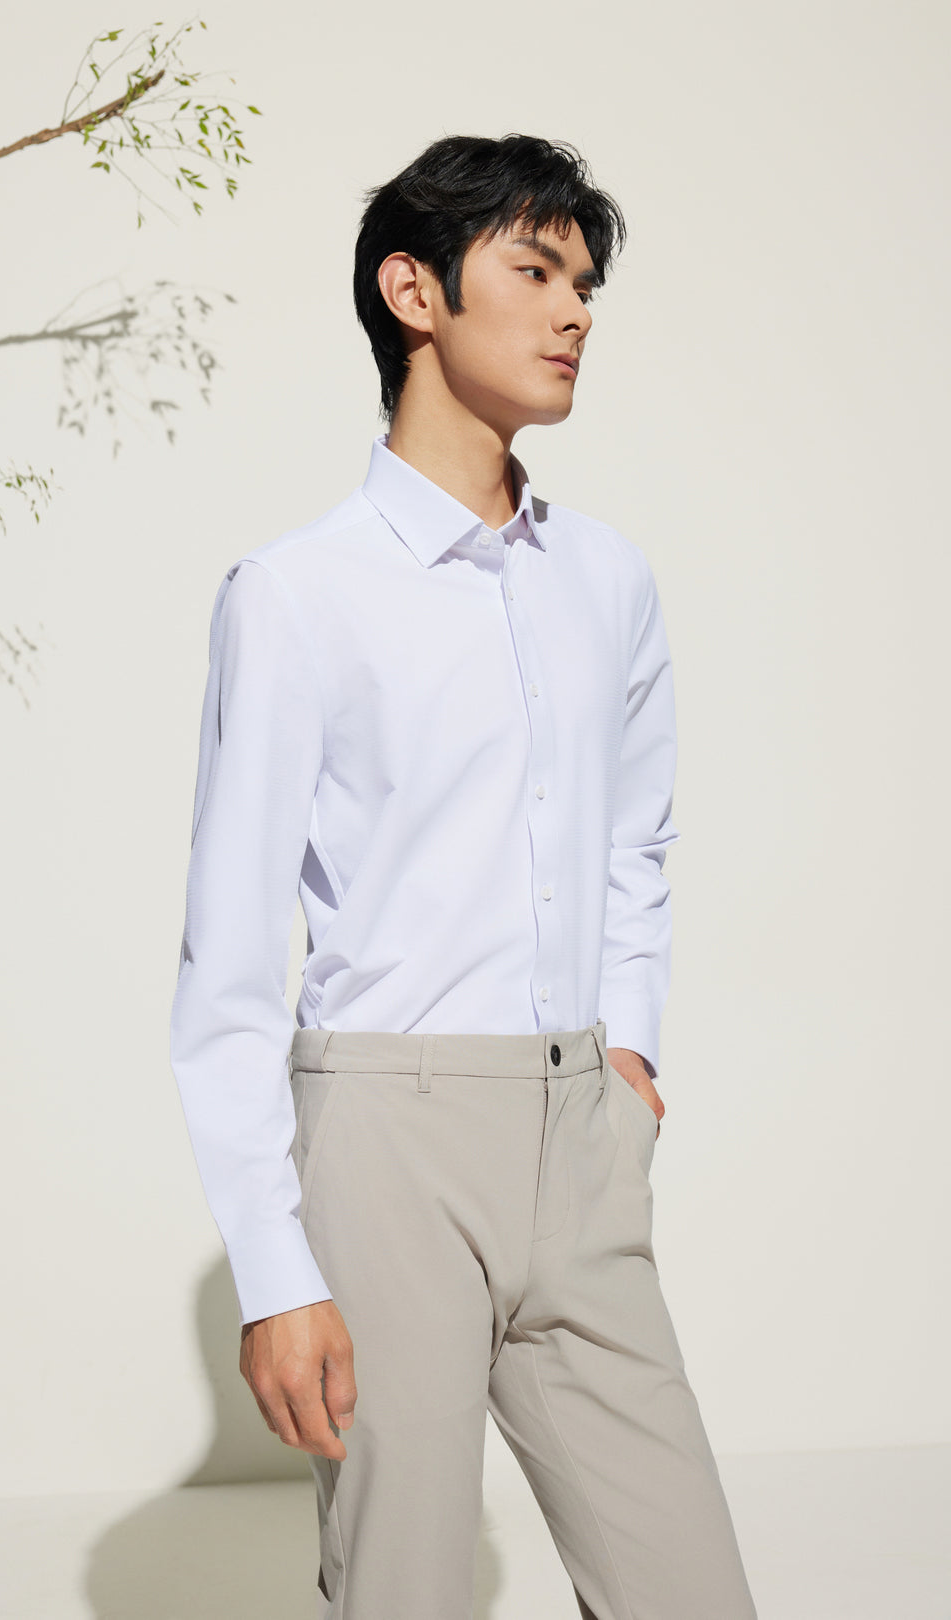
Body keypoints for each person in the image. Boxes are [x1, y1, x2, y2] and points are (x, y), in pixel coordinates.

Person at [169, 132, 759, 1620]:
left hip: (581, 1136)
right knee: (406, 1591)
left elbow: (636, 844)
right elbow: (228, 965)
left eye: (586, 285)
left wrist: (628, 1058)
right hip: (388, 1144)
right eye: (537, 270)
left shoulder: (607, 578)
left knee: (690, 1589)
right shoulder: (296, 595)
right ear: (413, 291)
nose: (574, 312)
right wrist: (276, 1273)